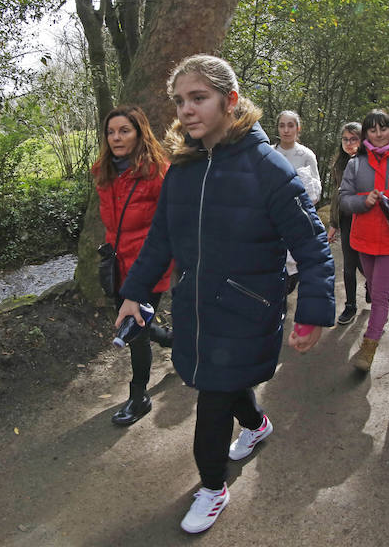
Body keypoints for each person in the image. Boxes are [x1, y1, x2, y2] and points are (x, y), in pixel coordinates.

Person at [115, 54, 334, 534]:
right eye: (179, 101)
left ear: (230, 101)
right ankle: (257, 426)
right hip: (195, 304)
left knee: (212, 397)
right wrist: (135, 292)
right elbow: (161, 241)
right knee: (225, 385)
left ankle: (212, 488)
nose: (186, 110)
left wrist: (312, 313)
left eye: (199, 98)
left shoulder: (269, 167)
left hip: (247, 310)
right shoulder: (183, 170)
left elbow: (313, 246)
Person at [92, 105, 173, 426]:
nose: (116, 137)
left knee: (136, 333)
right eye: (111, 132)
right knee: (134, 324)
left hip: (149, 266)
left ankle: (139, 397)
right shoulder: (103, 171)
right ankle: (173, 341)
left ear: (140, 133)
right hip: (117, 265)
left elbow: (169, 226)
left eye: (124, 130)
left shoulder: (157, 172)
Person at [339, 110, 389, 372]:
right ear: (366, 133)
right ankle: (377, 323)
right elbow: (343, 199)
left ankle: (369, 345)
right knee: (374, 290)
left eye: (383, 128)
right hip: (363, 239)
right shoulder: (355, 164)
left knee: (381, 295)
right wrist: (364, 202)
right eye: (372, 130)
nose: (378, 134)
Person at [273, 110, 322, 293]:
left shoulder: (306, 155)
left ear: (298, 128)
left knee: (292, 269)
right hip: (272, 218)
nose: (286, 130)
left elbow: (316, 189)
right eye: (282, 125)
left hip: (297, 218)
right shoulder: (269, 152)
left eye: (290, 125)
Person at [327, 122, 368, 324]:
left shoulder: (370, 163)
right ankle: (350, 305)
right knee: (349, 265)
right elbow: (337, 195)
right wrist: (334, 223)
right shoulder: (340, 163)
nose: (349, 143)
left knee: (363, 261)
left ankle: (371, 283)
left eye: (354, 139)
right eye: (345, 139)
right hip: (347, 219)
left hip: (366, 220)